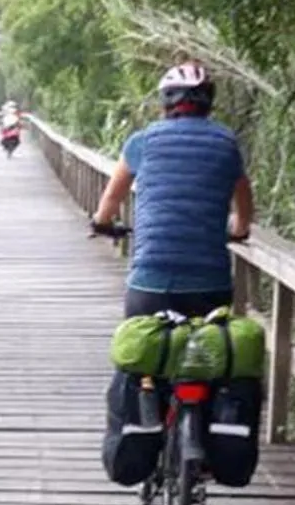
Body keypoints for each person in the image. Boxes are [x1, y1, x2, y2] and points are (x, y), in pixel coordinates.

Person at [91, 61, 253, 316]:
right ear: (209, 101)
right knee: (211, 351)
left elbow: (111, 198)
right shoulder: (226, 143)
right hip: (209, 284)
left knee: (140, 350)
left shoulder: (142, 141)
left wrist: (102, 223)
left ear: (165, 102)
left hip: (152, 281)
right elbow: (244, 208)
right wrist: (238, 229)